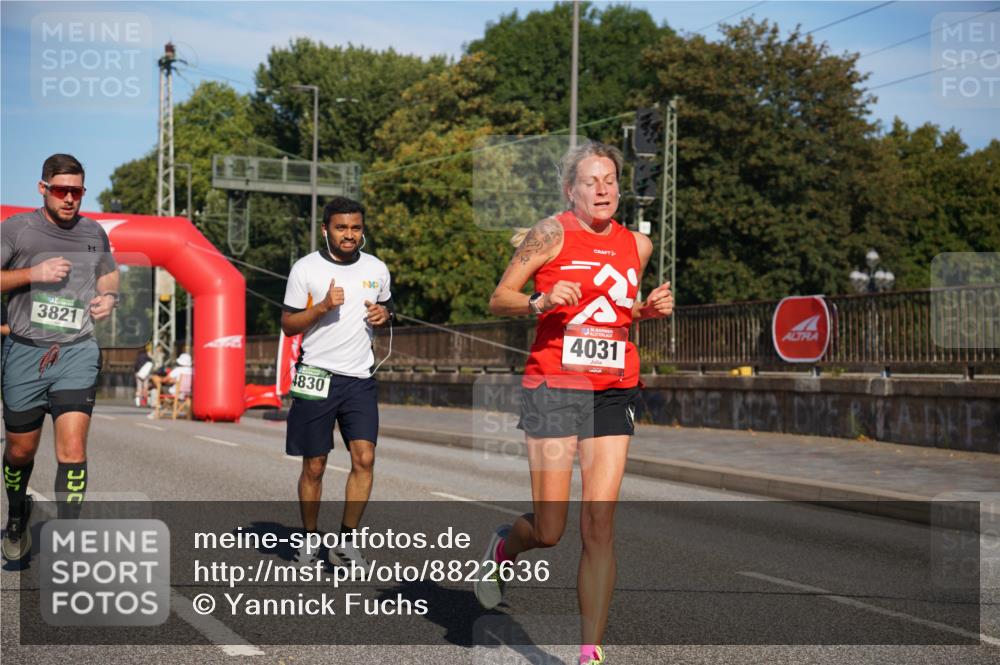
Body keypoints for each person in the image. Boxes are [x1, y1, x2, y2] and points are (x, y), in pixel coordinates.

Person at [475, 142, 674, 665]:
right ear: (572, 190)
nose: (603, 188)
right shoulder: (551, 233)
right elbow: (499, 297)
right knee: (550, 529)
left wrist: (645, 310)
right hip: (555, 386)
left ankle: (590, 652)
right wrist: (540, 300)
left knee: (600, 523)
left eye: (609, 179)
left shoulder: (638, 244)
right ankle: (504, 548)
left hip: (613, 386)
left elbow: (616, 306)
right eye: (591, 181)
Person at [1, 154, 119, 561]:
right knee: (20, 451)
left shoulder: (93, 232)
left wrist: (110, 297)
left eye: (77, 191)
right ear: (43, 189)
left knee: (72, 450)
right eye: (61, 190)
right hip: (25, 353)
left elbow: (108, 272)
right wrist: (33, 274)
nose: (69, 199)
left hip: (76, 350)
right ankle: (17, 513)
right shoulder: (18, 230)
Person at [280, 196, 393, 568]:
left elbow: (388, 308)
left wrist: (383, 314)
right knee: (315, 465)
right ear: (325, 228)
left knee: (365, 458)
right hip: (317, 374)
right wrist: (322, 307)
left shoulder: (377, 267)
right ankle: (310, 541)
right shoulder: (306, 269)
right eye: (342, 228)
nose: (349, 235)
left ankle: (346, 541)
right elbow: (288, 324)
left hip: (360, 377)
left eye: (356, 228)